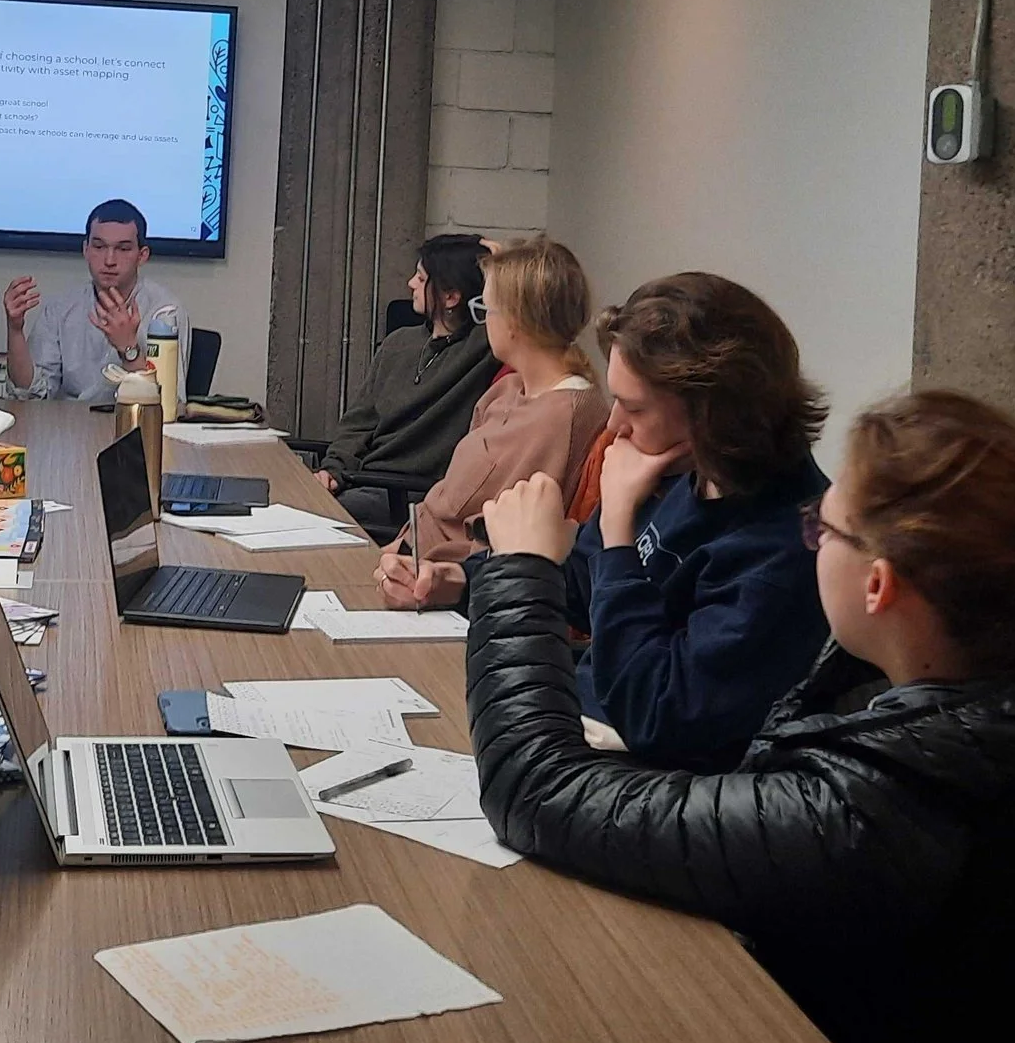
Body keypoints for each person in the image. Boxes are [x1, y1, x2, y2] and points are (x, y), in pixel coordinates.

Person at [465, 389, 1015, 1043]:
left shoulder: (872, 807)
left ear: (879, 586)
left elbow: (535, 787)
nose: (808, 544)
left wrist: (521, 571)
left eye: (822, 528)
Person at [474, 272, 836, 769]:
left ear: (712, 416)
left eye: (634, 407)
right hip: (577, 718)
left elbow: (657, 715)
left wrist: (618, 527)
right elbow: (585, 585)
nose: (614, 424)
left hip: (636, 766)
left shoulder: (785, 549)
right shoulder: (684, 471)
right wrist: (459, 581)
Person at [372, 238, 605, 599]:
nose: (483, 322)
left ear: (516, 321)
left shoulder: (562, 415)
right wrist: (397, 547)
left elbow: (492, 534)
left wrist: (422, 567)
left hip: (441, 581)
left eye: (486, 309)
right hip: (411, 557)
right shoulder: (507, 389)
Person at [313, 234, 504, 532]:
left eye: (420, 277)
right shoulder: (398, 343)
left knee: (309, 517)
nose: (410, 284)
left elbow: (526, 311)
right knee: (291, 499)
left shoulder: (484, 348)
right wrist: (333, 468)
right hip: (362, 481)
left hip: (409, 496)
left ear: (450, 297)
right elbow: (359, 422)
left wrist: (502, 262)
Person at [2, 198, 187, 403]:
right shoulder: (60, 309)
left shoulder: (165, 313)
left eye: (123, 249)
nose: (109, 260)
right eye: (99, 247)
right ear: (86, 250)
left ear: (142, 256)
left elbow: (169, 404)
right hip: (67, 429)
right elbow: (30, 396)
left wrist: (129, 350)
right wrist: (15, 330)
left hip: (134, 428)